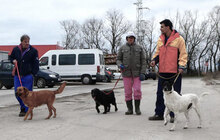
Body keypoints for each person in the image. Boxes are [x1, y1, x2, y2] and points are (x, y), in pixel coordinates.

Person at [148, 19, 188, 121]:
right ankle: (159, 114)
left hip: (175, 72)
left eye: (162, 26)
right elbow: (157, 53)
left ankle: (173, 116)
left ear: (168, 27)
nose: (160, 28)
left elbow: (183, 54)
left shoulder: (179, 39)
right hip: (162, 72)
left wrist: (181, 66)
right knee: (160, 93)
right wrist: (154, 61)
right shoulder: (160, 39)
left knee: (176, 94)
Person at [116, 31, 147, 115]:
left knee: (137, 90)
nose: (130, 39)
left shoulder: (139, 48)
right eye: (129, 38)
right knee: (128, 92)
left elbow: (143, 61)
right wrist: (120, 65)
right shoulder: (122, 48)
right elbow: (118, 59)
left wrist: (143, 73)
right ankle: (130, 109)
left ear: (134, 39)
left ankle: (137, 109)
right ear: (127, 39)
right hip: (126, 73)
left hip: (137, 73)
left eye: (132, 38)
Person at [10, 34, 39, 117]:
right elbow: (11, 57)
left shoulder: (33, 50)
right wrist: (13, 60)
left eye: (28, 42)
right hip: (17, 75)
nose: (27, 43)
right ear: (21, 42)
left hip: (28, 76)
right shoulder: (16, 49)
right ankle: (23, 107)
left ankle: (26, 110)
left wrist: (33, 73)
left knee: (27, 94)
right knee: (17, 93)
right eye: (25, 42)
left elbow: (36, 63)